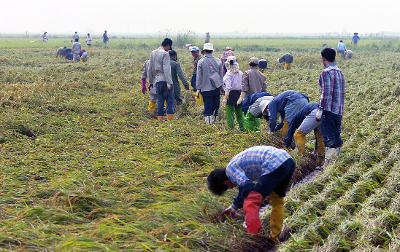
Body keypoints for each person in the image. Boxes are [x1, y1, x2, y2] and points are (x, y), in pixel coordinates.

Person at [207, 146, 295, 241]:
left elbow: (247, 187)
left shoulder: (230, 170)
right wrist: (234, 207)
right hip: (287, 161)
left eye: (228, 187)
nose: (232, 187)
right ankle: (275, 236)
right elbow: (248, 187)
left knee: (250, 202)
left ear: (225, 182)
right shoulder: (237, 163)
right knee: (277, 201)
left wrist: (235, 206)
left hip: (274, 164)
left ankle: (254, 239)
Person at [316, 48, 345, 168]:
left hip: (328, 110)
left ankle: (327, 166)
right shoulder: (340, 72)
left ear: (323, 59)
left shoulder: (325, 72)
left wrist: (320, 109)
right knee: (336, 137)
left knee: (328, 138)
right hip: (339, 110)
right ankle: (336, 163)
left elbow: (326, 93)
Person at [196, 43, 223, 124]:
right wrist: (222, 88)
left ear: (204, 51)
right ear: (212, 51)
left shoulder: (201, 62)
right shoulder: (218, 61)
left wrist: (198, 88)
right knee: (215, 106)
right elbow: (221, 76)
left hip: (205, 88)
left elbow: (199, 77)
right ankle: (215, 122)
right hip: (216, 87)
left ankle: (208, 124)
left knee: (207, 106)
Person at [148, 38, 174, 121]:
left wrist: (151, 82)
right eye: (169, 47)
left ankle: (160, 121)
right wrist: (169, 82)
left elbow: (150, 68)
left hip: (157, 80)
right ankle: (170, 121)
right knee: (169, 101)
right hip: (165, 80)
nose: (169, 49)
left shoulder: (153, 53)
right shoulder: (165, 54)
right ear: (168, 45)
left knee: (160, 101)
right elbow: (166, 69)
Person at [222, 56, 244, 131]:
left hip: (231, 94)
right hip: (239, 94)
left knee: (230, 113)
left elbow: (228, 87)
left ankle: (230, 129)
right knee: (239, 112)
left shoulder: (229, 74)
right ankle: (242, 128)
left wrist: (225, 98)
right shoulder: (240, 73)